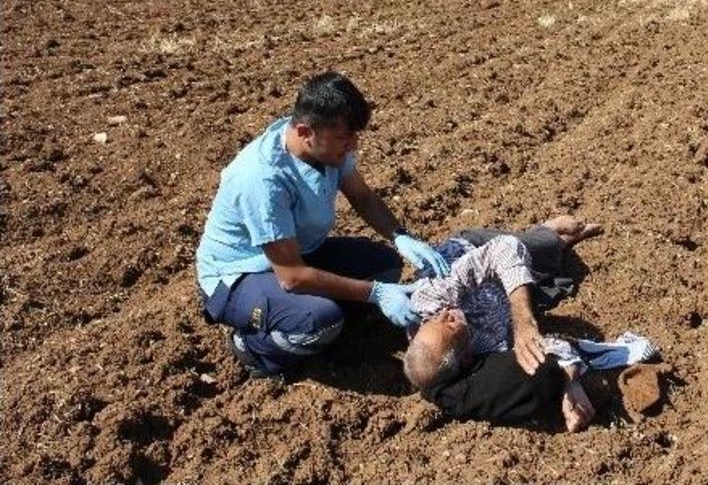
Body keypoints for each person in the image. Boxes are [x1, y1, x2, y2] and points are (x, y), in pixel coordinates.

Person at [195, 71, 451, 379]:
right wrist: (376, 294)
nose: (353, 146)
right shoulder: (261, 180)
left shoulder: (325, 149)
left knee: (385, 264)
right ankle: (253, 346)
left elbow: (362, 197)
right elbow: (292, 277)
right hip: (240, 274)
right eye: (345, 138)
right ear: (305, 131)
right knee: (319, 322)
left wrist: (401, 237)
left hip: (297, 252)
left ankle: (319, 316)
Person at [403, 216, 608, 432]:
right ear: (465, 358)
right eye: (450, 325)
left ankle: (546, 230)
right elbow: (552, 347)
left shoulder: (430, 300)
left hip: (473, 248)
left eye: (434, 320)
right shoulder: (487, 353)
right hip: (499, 294)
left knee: (547, 246)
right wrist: (570, 381)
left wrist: (524, 323)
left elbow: (505, 248)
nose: (445, 314)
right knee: (545, 269)